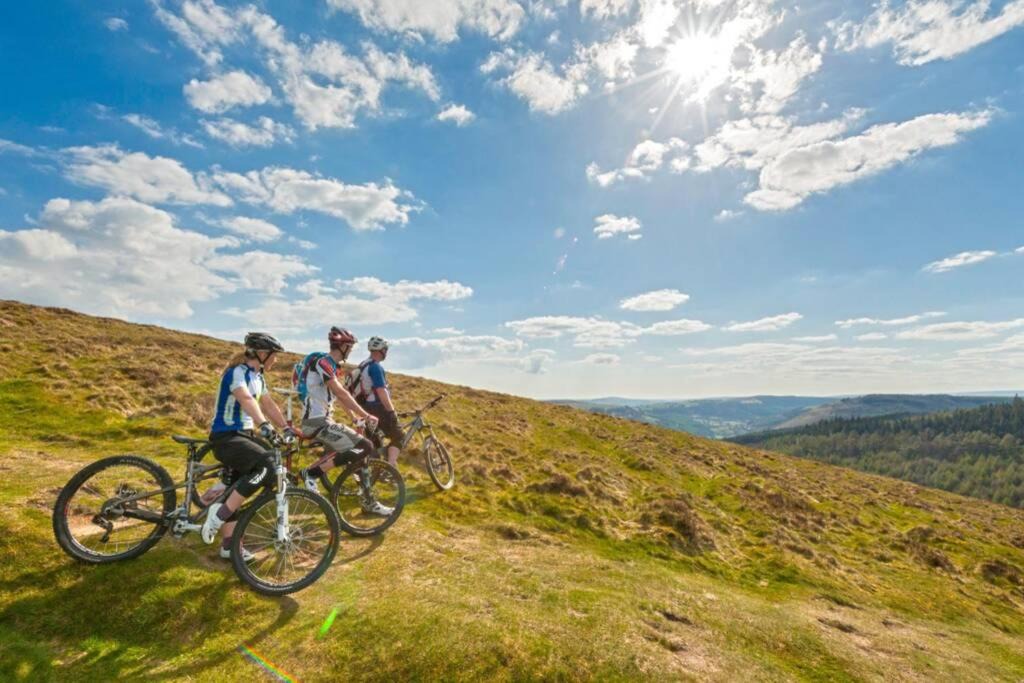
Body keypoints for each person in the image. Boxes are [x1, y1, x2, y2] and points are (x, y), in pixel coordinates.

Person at [201, 332, 296, 561]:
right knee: (267, 465)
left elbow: (268, 404)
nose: (276, 360)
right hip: (226, 436)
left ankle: (228, 545)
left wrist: (285, 428)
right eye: (274, 356)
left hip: (243, 435)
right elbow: (246, 399)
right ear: (262, 354)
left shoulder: (258, 377)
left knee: (239, 487)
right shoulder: (237, 373)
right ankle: (218, 514)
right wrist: (263, 425)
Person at [295, 327, 391, 516]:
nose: (352, 350)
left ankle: (368, 501)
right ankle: (312, 473)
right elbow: (341, 392)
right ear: (343, 346)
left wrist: (354, 417)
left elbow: (339, 396)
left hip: (323, 419)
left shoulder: (330, 365)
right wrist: (365, 414)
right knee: (364, 446)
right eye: (351, 346)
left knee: (360, 451)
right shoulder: (324, 362)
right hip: (316, 422)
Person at [353, 336, 404, 468]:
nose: (386, 352)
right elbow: (381, 392)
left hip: (364, 408)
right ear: (381, 350)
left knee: (375, 442)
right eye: (385, 349)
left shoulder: (363, 364)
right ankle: (391, 468)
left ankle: (374, 471)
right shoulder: (375, 367)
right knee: (399, 436)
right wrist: (392, 412)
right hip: (378, 409)